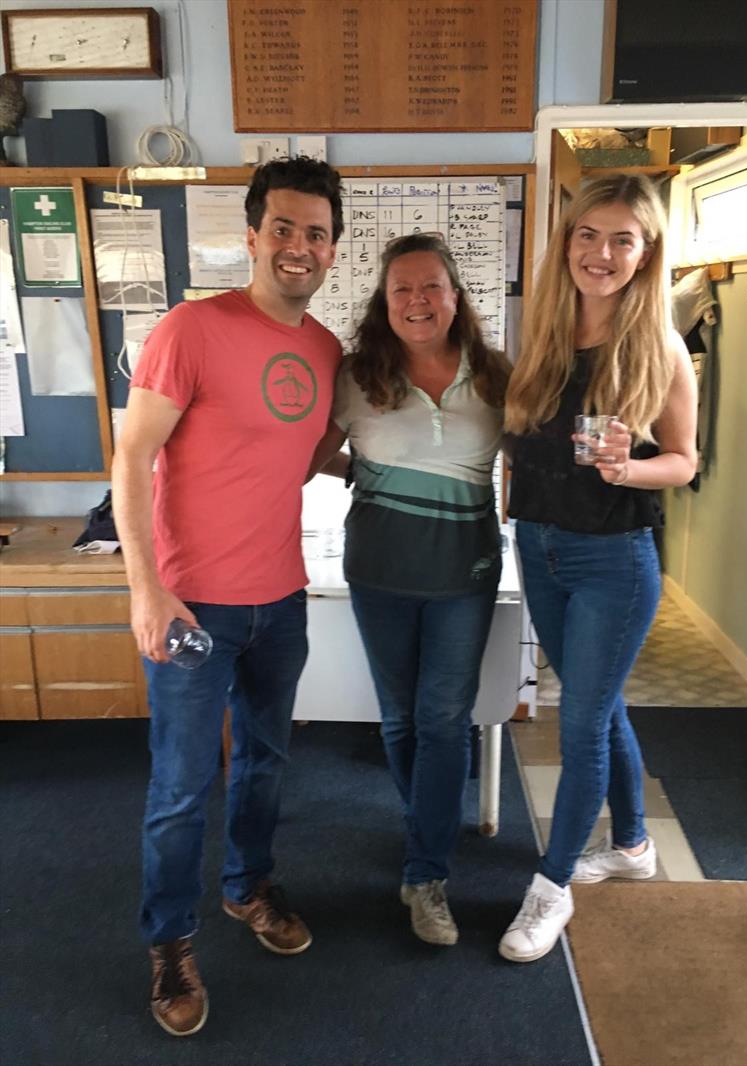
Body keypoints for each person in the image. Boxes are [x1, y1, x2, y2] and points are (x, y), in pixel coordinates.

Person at [112, 157, 344, 1036]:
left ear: (331, 249)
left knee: (266, 761)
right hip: (191, 609)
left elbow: (309, 449)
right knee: (179, 787)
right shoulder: (191, 329)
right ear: (252, 237)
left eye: (315, 233)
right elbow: (132, 457)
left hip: (281, 599)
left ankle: (248, 888)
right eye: (282, 228)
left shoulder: (324, 350)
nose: (298, 247)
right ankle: (169, 943)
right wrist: (147, 588)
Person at [498, 174, 697, 963]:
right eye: (588, 235)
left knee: (576, 720)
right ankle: (636, 846)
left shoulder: (660, 347)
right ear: (568, 241)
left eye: (623, 239)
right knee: (600, 705)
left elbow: (684, 461)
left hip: (614, 558)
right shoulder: (542, 337)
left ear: (646, 254)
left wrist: (629, 470)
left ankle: (551, 890)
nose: (601, 253)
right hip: (539, 547)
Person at [307, 233, 510, 947]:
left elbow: (540, 461)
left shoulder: (495, 376)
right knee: (398, 721)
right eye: (403, 290)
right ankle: (426, 823)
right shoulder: (358, 376)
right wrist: (365, 472)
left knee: (445, 721)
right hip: (379, 575)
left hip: (465, 577)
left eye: (432, 287)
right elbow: (305, 456)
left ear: (456, 296)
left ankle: (426, 871)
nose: (418, 300)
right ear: (384, 302)